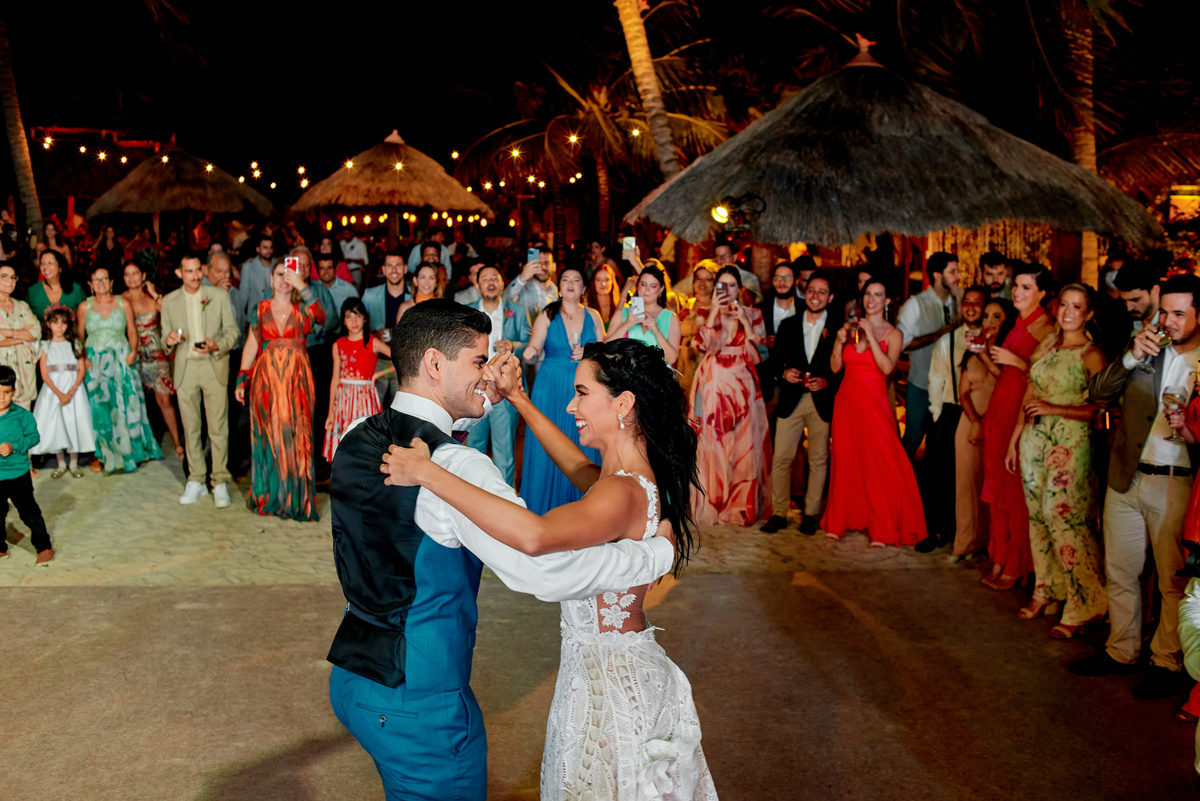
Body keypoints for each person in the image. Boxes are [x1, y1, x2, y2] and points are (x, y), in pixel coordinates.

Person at [327, 303, 681, 800]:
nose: (489, 371)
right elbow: (542, 567)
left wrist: (498, 399)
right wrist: (655, 556)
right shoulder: (457, 468)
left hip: (351, 681)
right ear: (433, 364)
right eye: (478, 361)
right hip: (419, 701)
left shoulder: (353, 436)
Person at [1070, 274, 1200, 700]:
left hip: (1177, 482)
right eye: (1165, 311)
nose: (1169, 321)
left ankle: (1166, 661)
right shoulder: (1147, 347)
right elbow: (1098, 393)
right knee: (1121, 571)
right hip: (1127, 473)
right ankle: (1120, 650)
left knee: (1170, 581)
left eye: (1179, 314)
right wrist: (1129, 356)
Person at [1005, 284, 1108, 637]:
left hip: (1070, 442)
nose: (1067, 312)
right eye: (1063, 304)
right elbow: (1030, 390)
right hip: (1035, 440)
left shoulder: (1091, 354)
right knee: (1038, 517)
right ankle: (1047, 589)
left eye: (1076, 307)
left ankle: (1085, 601)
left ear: (1088, 313)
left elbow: (1101, 411)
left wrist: (1055, 409)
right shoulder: (1047, 345)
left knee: (1063, 517)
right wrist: (1015, 438)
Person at [824, 277, 926, 546]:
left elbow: (887, 368)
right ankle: (839, 520)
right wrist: (837, 340)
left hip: (875, 401)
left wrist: (870, 335)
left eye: (878, 294)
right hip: (846, 400)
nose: (871, 299)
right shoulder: (849, 327)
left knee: (878, 461)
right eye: (868, 294)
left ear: (887, 301)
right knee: (845, 458)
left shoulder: (894, 334)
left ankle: (882, 525)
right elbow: (835, 367)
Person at [979, 262, 1055, 588]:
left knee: (1014, 489)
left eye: (1026, 287)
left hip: (1020, 408)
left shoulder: (1046, 326)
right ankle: (999, 554)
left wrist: (1016, 361)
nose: (1018, 291)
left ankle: (1018, 562)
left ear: (1042, 292)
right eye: (1016, 285)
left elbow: (1045, 378)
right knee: (995, 484)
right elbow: (1003, 370)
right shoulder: (1018, 320)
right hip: (1000, 405)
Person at [234, 260, 326, 521]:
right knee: (269, 432)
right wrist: (243, 376)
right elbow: (253, 343)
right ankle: (271, 496)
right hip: (267, 377)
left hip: (297, 378)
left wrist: (303, 286)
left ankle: (296, 499)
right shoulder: (260, 309)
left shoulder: (302, 309)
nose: (285, 278)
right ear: (271, 279)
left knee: (297, 433)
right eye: (279, 274)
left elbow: (321, 317)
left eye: (290, 274)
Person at [690, 266, 771, 526]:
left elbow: (760, 355)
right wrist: (714, 311)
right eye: (721, 286)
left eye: (731, 286)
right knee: (711, 443)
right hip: (712, 382)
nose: (726, 291)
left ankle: (738, 504)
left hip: (743, 383)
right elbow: (703, 346)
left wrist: (746, 323)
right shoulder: (705, 313)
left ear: (739, 288)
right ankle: (711, 503)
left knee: (743, 444)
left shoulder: (755, 314)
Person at [521, 265, 604, 514]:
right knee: (548, 441)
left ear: (583, 288)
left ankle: (587, 508)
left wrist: (592, 351)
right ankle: (543, 509)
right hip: (551, 386)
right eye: (565, 279)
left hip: (585, 387)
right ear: (560, 287)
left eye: (576, 279)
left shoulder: (594, 316)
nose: (570, 283)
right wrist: (530, 353)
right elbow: (534, 348)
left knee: (584, 443)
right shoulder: (547, 314)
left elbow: (605, 349)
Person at [761, 272, 839, 535]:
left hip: (822, 401)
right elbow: (775, 361)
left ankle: (811, 513)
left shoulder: (838, 328)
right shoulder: (788, 325)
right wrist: (783, 373)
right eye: (812, 290)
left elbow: (843, 368)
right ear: (806, 293)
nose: (816, 296)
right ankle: (779, 513)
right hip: (791, 398)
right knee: (781, 457)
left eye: (822, 292)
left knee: (818, 459)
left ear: (830, 298)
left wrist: (827, 381)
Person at [161, 254, 240, 507]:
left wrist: (219, 344)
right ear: (179, 273)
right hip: (185, 368)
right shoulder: (170, 301)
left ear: (202, 271)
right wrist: (169, 340)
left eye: (197, 271)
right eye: (189, 271)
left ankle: (219, 482)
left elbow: (233, 332)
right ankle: (196, 479)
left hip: (213, 365)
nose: (194, 276)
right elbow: (164, 339)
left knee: (218, 427)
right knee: (191, 428)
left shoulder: (218, 296)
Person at [916, 285, 987, 551]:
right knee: (938, 472)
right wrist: (936, 413)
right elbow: (936, 378)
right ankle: (937, 529)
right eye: (966, 302)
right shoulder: (948, 341)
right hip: (951, 409)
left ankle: (973, 532)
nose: (970, 307)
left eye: (976, 302)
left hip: (982, 411)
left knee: (974, 475)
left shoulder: (993, 340)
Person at [78, 266, 162, 473]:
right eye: (96, 280)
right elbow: (79, 336)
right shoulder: (84, 307)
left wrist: (133, 351)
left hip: (121, 359)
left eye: (104, 279)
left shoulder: (122, 303)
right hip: (96, 363)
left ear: (111, 282)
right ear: (90, 285)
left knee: (125, 406)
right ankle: (102, 454)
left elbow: (132, 330)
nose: (101, 284)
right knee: (99, 408)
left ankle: (129, 451)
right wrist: (84, 358)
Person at [949, 299, 1015, 562]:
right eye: (986, 316)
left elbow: (1007, 381)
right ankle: (963, 544)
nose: (988, 322)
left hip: (1000, 424)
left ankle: (990, 546)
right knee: (966, 485)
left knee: (994, 489)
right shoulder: (971, 352)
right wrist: (975, 420)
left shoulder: (1009, 351)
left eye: (996, 317)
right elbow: (962, 393)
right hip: (970, 420)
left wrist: (984, 354)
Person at [464, 266, 531, 485]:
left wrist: (513, 345)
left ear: (502, 284)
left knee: (505, 454)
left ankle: (507, 501)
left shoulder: (517, 310)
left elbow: (531, 342)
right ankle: (474, 499)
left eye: (495, 278)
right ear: (477, 285)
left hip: (503, 388)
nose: (491, 282)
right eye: (485, 279)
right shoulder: (466, 312)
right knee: (473, 449)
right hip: (474, 389)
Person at [897, 252, 962, 459]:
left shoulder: (959, 302)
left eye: (957, 271)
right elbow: (903, 343)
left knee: (942, 443)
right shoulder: (915, 304)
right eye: (952, 271)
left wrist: (961, 300)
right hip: (921, 384)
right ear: (936, 274)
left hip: (952, 388)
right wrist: (937, 334)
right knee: (913, 438)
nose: (957, 276)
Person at [121, 260, 184, 462]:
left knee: (164, 399)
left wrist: (155, 293)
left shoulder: (153, 299)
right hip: (132, 353)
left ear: (143, 275)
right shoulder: (120, 300)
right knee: (132, 401)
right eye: (127, 274)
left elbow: (171, 313)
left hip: (156, 354)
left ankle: (177, 442)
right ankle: (136, 446)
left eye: (135, 273)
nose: (131, 278)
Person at [323, 298, 391, 462]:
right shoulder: (338, 344)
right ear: (343, 321)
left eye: (357, 315)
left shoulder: (372, 341)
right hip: (343, 400)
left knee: (365, 440)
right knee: (345, 442)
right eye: (348, 316)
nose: (353, 321)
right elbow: (335, 379)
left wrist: (380, 374)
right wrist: (330, 413)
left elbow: (399, 358)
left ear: (365, 318)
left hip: (365, 398)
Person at [31, 305, 94, 477]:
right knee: (56, 424)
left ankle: (73, 463)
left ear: (68, 325)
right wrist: (60, 394)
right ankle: (61, 464)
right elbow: (44, 374)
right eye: (55, 322)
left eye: (63, 323)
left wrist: (72, 391)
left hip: (73, 389)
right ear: (48, 324)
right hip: (54, 391)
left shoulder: (75, 343)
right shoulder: (45, 346)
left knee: (74, 422)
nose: (59, 327)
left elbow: (81, 370)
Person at [0, 366, 54, 564]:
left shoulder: (22, 415)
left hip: (17, 475)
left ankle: (44, 547)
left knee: (30, 514)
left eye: (6, 392)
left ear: (13, 391)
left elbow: (34, 437)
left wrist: (13, 446)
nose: (1, 397)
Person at [604, 263, 681, 364]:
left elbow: (672, 359)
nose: (647, 290)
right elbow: (605, 349)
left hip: (657, 377)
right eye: (643, 284)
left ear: (661, 289)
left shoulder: (671, 318)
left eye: (653, 286)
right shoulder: (623, 313)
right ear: (637, 285)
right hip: (627, 376)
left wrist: (657, 332)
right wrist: (627, 324)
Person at [363, 250, 409, 408]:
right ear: (383, 269)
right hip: (377, 361)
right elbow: (357, 326)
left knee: (402, 412)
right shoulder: (369, 295)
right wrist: (372, 335)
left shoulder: (414, 297)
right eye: (390, 266)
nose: (394, 270)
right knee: (373, 410)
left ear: (405, 268)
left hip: (405, 363)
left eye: (398, 265)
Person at [0, 264, 40, 411]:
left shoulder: (22, 306)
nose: (10, 282)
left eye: (13, 278)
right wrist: (22, 337)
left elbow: (35, 332)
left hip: (23, 374)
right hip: (1, 372)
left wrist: (7, 332)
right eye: (4, 276)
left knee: (20, 423)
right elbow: (28, 336)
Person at [755, 261, 799, 396]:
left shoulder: (805, 309)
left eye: (787, 278)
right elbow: (749, 346)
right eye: (778, 277)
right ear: (772, 280)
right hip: (767, 384)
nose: (782, 282)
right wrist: (762, 342)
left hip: (797, 383)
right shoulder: (759, 310)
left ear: (795, 281)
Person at [677, 261, 716, 392]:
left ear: (715, 283)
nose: (702, 283)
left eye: (708, 279)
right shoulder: (687, 304)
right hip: (685, 363)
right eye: (698, 278)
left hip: (707, 365)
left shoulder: (718, 308)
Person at [25, 250, 86, 323]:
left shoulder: (76, 289)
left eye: (50, 263)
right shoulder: (33, 291)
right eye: (42, 263)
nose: (45, 267)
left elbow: (86, 317)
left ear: (60, 268)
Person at [505, 247, 559, 319]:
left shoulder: (557, 292)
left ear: (554, 266)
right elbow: (505, 299)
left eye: (546, 263)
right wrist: (522, 277)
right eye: (538, 263)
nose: (542, 267)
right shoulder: (521, 290)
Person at [238, 233, 276, 319]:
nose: (268, 251)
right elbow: (244, 292)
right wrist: (241, 315)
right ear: (258, 249)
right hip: (255, 315)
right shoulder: (249, 266)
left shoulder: (277, 264)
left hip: (274, 315)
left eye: (271, 247)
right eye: (265, 248)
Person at [315, 253, 359, 318]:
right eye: (322, 268)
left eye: (329, 268)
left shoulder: (349, 289)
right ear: (318, 271)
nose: (326, 272)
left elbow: (358, 314)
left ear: (335, 269)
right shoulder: (312, 290)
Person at [586, 262, 621, 331]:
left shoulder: (620, 306)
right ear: (593, 282)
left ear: (612, 282)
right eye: (598, 280)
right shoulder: (586, 306)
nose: (603, 283)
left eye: (606, 279)